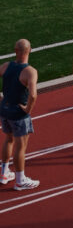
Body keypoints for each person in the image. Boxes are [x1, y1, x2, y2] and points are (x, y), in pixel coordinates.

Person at [0, 38, 39, 191]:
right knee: (20, 147)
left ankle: (4, 173)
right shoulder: (30, 71)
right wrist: (28, 109)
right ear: (30, 50)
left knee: (8, 140)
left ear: (15, 51)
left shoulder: (6, 66)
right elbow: (33, 95)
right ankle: (20, 180)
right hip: (18, 114)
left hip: (4, 110)